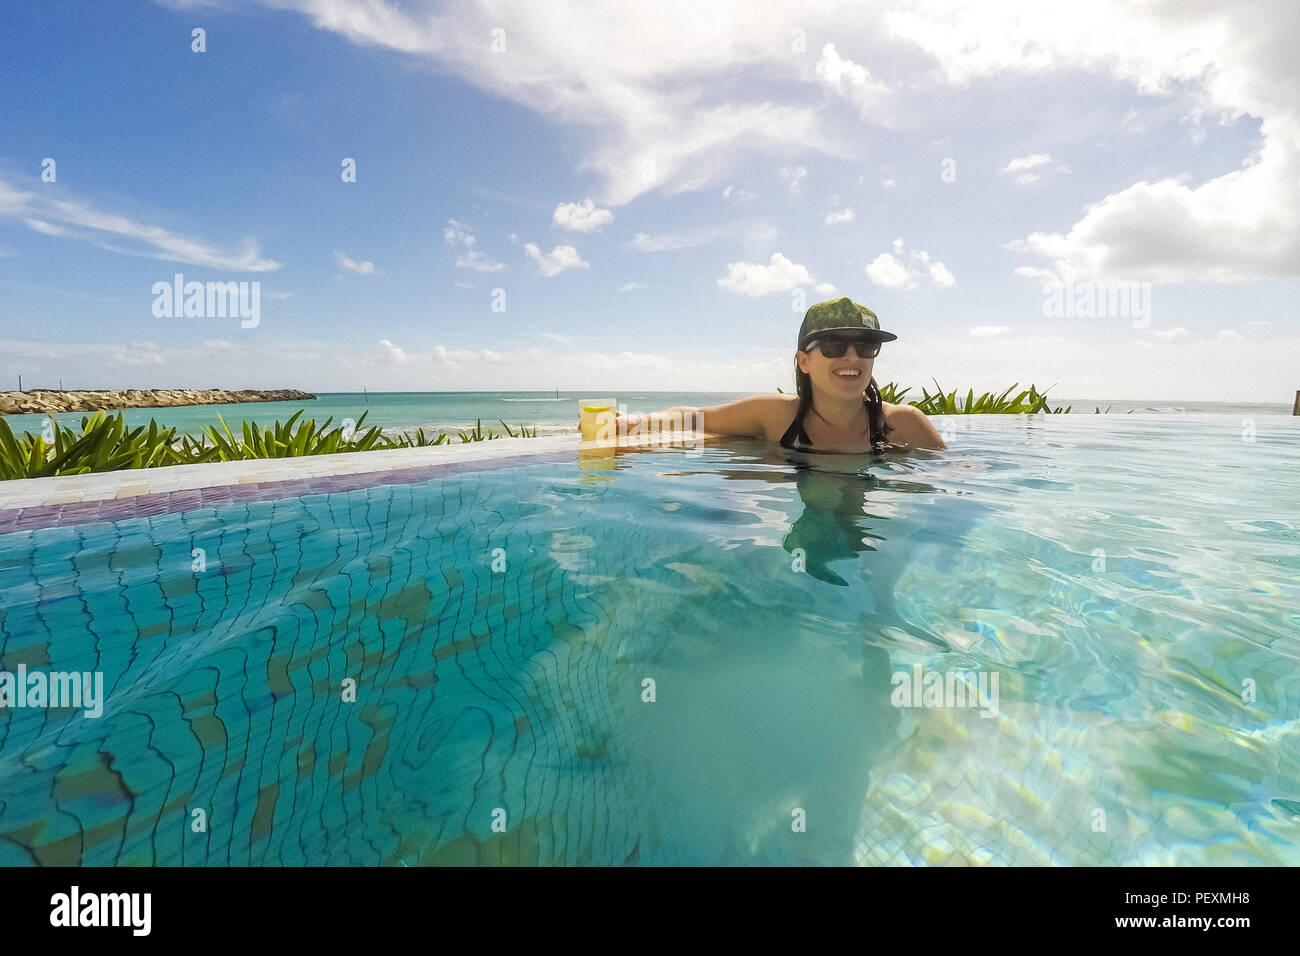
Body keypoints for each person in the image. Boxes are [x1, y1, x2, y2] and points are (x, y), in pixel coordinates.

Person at [617, 297, 947, 453]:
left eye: (865, 345)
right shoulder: (776, 416)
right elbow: (696, 418)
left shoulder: (904, 423)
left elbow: (951, 482)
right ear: (803, 361)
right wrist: (634, 423)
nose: (852, 356)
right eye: (834, 345)